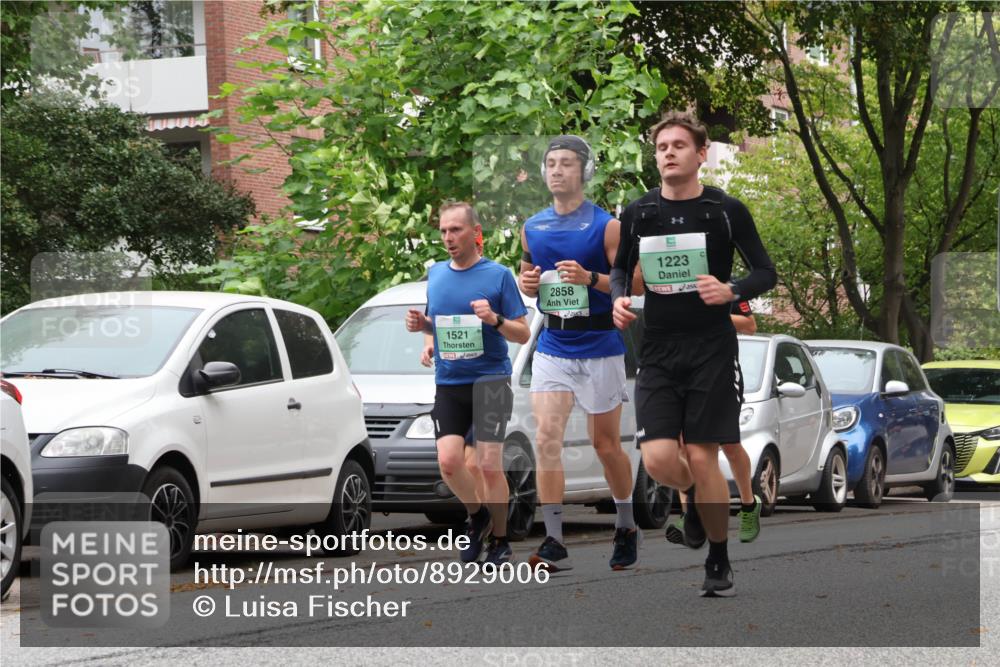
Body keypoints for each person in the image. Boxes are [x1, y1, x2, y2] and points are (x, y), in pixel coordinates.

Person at [610, 113, 777, 597]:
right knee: (660, 458)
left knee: (703, 455)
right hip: (658, 348)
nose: (668, 152)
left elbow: (765, 273)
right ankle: (692, 503)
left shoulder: (724, 210)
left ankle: (718, 559)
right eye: (661, 145)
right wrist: (620, 299)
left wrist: (731, 289)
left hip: (710, 348)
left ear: (701, 153)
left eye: (679, 145)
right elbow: (621, 270)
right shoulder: (639, 212)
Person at [518, 135, 643, 572]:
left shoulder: (607, 226)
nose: (556, 171)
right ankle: (553, 540)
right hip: (552, 343)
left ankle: (625, 524)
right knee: (546, 440)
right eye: (550, 163)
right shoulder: (532, 226)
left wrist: (591, 278)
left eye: (566, 163)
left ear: (585, 171)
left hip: (599, 345)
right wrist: (528, 284)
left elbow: (636, 285)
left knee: (605, 444)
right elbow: (525, 277)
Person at [406, 201, 530, 565]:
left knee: (489, 465)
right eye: (443, 231)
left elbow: (522, 333)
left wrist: (494, 319)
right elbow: (437, 323)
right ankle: (477, 516)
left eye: (455, 229)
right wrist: (424, 334)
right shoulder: (437, 274)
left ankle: (502, 540)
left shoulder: (499, 276)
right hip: (449, 382)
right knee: (448, 462)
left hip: (490, 381)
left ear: (475, 234)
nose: (448, 237)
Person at [673, 299, 763, 544]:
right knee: (683, 445)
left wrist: (708, 318)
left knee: (729, 445)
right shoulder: (673, 284)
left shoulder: (727, 286)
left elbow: (749, 325)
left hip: (721, 372)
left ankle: (748, 505)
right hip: (684, 372)